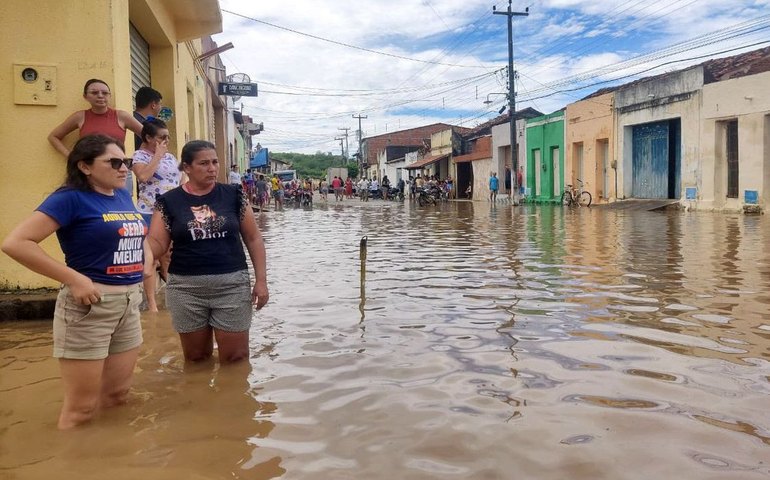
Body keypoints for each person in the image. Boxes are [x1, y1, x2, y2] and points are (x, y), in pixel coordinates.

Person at [2, 135, 146, 429]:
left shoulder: (121, 194)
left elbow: (133, 233)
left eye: (126, 162)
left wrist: (145, 262)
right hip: (89, 307)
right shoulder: (68, 198)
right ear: (85, 166)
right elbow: (16, 243)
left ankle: (114, 462)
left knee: (118, 397)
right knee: (81, 409)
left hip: (129, 304)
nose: (124, 169)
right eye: (114, 162)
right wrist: (74, 279)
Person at [146, 140, 269, 363]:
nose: (212, 168)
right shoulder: (168, 202)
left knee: (236, 358)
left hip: (231, 286)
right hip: (185, 289)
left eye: (215, 162)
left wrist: (261, 281)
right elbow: (157, 242)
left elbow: (254, 238)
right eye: (204, 163)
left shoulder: (234, 195)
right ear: (187, 167)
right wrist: (141, 254)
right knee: (196, 358)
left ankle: (233, 397)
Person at [48, 79, 143, 195]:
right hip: (91, 172)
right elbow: (53, 136)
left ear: (109, 95)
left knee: (121, 208)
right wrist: (71, 156)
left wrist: (141, 159)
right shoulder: (80, 117)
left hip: (119, 170)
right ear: (85, 96)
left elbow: (148, 136)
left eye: (105, 93)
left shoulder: (121, 116)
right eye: (94, 93)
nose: (100, 96)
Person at [132, 118, 180, 312]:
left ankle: (174, 296)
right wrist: (157, 156)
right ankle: (152, 304)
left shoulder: (170, 157)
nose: (166, 141)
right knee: (149, 258)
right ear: (148, 137)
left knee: (168, 256)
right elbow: (142, 176)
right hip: (148, 212)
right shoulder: (140, 156)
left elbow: (179, 179)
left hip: (171, 212)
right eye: (162, 137)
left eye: (167, 137)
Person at [133, 86, 163, 150]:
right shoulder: (147, 126)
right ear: (153, 105)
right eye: (160, 104)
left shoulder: (130, 118)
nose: (161, 108)